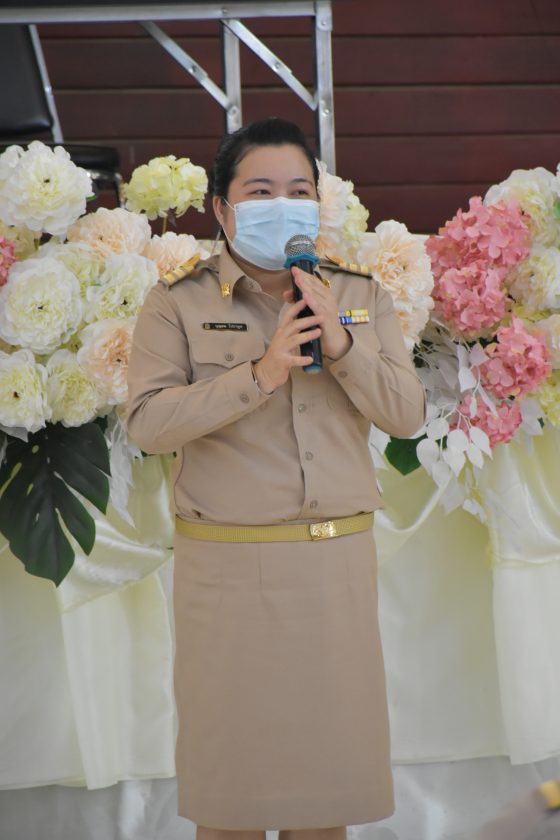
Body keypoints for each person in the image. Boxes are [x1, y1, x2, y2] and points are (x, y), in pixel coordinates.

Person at [126, 117, 426, 840]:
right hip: (227, 575)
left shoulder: (359, 295)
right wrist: (258, 376)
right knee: (233, 802)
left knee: (324, 806)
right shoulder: (177, 301)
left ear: (318, 205)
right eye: (260, 191)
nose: (282, 205)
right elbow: (148, 425)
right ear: (223, 208)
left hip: (334, 570)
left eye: (298, 191)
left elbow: (407, 416)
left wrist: (343, 345)